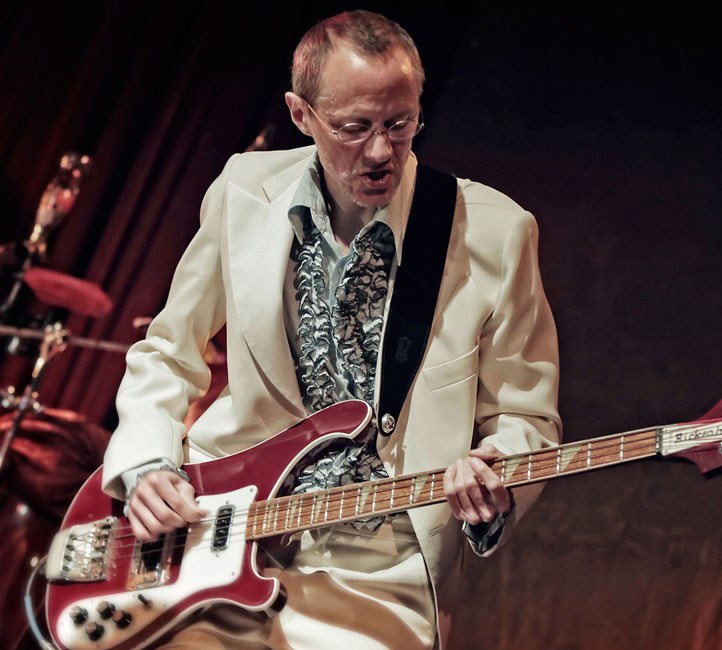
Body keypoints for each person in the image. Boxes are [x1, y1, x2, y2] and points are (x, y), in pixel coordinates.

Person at [100, 9, 560, 649]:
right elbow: (166, 353)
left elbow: (526, 419)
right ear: (300, 114)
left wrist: (497, 468)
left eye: (400, 124)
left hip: (380, 569)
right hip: (222, 527)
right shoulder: (242, 191)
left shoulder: (496, 233)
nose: (381, 151)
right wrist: (148, 465)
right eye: (354, 127)